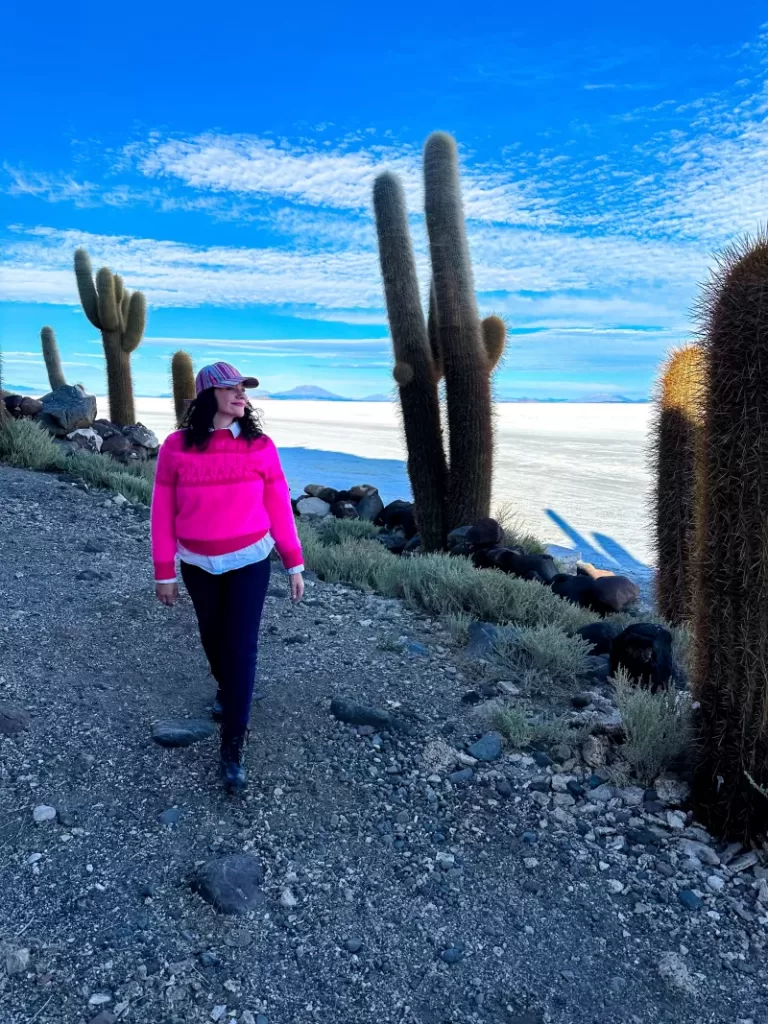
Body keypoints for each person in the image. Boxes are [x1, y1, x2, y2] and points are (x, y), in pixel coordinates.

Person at [150, 361, 304, 794]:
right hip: (197, 563)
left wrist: (293, 561)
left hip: (251, 561)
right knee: (212, 638)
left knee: (240, 647)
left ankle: (232, 746)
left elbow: (278, 506)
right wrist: (164, 573)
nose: (241, 395)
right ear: (205, 396)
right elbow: (161, 513)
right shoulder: (176, 447)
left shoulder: (260, 446)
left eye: (243, 389)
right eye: (230, 388)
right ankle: (226, 688)